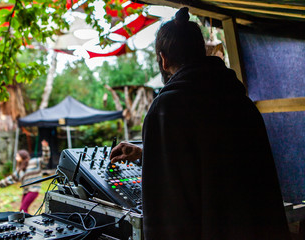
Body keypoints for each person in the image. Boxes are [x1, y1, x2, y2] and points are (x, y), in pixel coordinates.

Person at [110, 7, 291, 240]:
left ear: (164, 60)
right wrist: (147, 154)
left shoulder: (166, 110)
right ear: (201, 52)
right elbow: (214, 161)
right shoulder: (240, 101)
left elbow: (166, 211)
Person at [0, 140, 50, 213]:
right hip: (26, 191)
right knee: (22, 210)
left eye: (17, 156)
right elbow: (11, 179)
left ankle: (28, 223)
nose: (16, 158)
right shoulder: (20, 169)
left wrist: (45, 148)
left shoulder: (35, 162)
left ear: (23, 156)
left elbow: (45, 159)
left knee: (23, 209)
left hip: (34, 190)